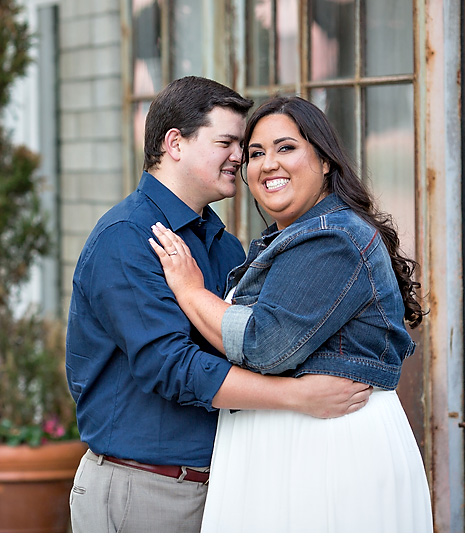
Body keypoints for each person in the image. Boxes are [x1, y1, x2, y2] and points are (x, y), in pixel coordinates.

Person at [65, 77, 372, 533]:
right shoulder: (128, 237)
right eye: (226, 142)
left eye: (240, 145)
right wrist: (299, 399)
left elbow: (260, 345)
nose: (240, 156)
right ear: (175, 144)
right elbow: (168, 365)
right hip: (146, 489)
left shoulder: (225, 248)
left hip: (226, 488)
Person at [149, 95, 433, 532]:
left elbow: (264, 344)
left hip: (330, 454)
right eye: (256, 153)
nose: (267, 164)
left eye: (286, 148)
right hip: (290, 450)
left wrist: (189, 290)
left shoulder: (334, 239)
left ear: (324, 160)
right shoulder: (283, 240)